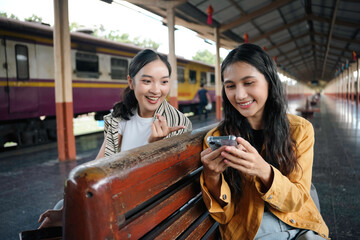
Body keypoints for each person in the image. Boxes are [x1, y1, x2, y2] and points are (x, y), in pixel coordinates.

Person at [38, 49, 192, 229]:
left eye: (164, 82)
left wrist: (154, 148)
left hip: (147, 206)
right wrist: (68, 206)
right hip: (118, 194)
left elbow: (165, 186)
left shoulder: (178, 123)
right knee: (60, 209)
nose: (156, 90)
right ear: (131, 82)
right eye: (147, 81)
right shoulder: (121, 117)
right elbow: (99, 165)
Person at [200, 43, 329, 239]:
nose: (240, 95)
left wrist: (263, 170)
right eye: (230, 86)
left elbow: (296, 201)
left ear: (269, 82)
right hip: (251, 231)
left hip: (299, 224)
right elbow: (224, 215)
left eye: (249, 83)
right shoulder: (217, 138)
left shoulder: (300, 130)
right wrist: (211, 176)